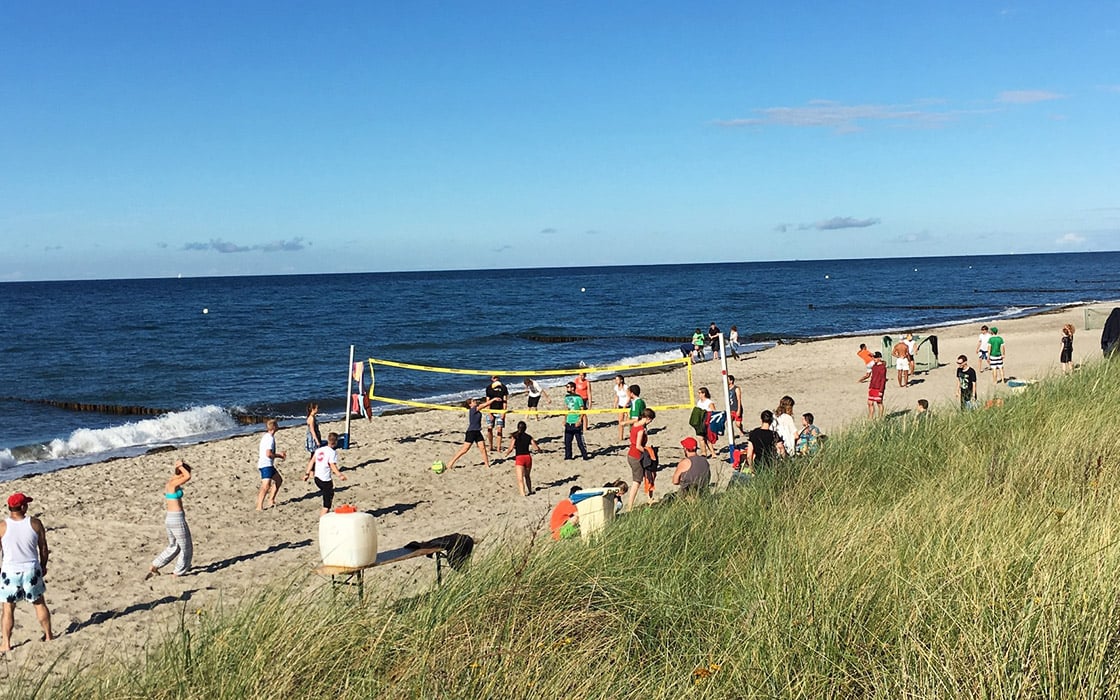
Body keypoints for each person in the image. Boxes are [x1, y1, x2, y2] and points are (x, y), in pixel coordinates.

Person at [0, 493, 53, 652]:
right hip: (31, 569)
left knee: (8, 608)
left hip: (10, 571)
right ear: (22, 507)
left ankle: (6, 643)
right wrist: (43, 566)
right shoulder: (35, 523)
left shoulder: (2, 526)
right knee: (39, 603)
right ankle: (49, 635)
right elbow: (43, 548)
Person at [146, 460, 194, 578]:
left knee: (174, 546)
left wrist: (179, 468)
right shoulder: (172, 485)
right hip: (176, 519)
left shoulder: (172, 481)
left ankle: (155, 565)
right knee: (186, 547)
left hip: (171, 518)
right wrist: (180, 466)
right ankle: (178, 572)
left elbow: (181, 475)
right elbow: (188, 476)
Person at [446, 396, 497, 469]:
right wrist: (494, 399)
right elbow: (484, 405)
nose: (475, 401)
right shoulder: (473, 409)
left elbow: (484, 406)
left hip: (477, 432)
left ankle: (487, 465)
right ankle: (451, 463)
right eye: (473, 401)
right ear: (470, 405)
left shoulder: (476, 409)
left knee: (483, 448)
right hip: (471, 432)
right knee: (464, 450)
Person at [304, 432, 347, 516]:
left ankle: (326, 513)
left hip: (317, 478)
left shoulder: (319, 450)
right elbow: (332, 465)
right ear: (336, 442)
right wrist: (340, 475)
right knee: (327, 503)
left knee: (330, 494)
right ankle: (323, 518)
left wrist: (307, 473)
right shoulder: (332, 452)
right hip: (325, 480)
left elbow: (312, 461)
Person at [625, 407, 657, 511]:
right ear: (647, 418)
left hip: (633, 455)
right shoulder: (641, 430)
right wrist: (648, 452)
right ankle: (630, 506)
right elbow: (638, 446)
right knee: (637, 481)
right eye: (651, 420)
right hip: (636, 456)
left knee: (648, 476)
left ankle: (650, 498)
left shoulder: (636, 424)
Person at [256, 419, 287, 511]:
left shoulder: (266, 436)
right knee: (266, 485)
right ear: (274, 427)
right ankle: (259, 506)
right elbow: (268, 454)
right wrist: (279, 455)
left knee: (278, 480)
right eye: (276, 425)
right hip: (266, 464)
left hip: (267, 464)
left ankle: (271, 500)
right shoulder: (269, 438)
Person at [503, 421, 540, 497]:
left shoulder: (515, 437)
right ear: (525, 428)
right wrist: (540, 450)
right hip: (528, 457)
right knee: (527, 476)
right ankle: (530, 490)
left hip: (520, 458)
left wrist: (506, 454)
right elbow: (536, 447)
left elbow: (510, 448)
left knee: (520, 479)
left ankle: (523, 494)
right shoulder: (529, 437)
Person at [563, 382, 589, 460]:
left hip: (576, 422)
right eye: (567, 387)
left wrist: (580, 420)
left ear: (573, 388)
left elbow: (582, 410)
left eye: (568, 387)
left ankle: (585, 456)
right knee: (567, 442)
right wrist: (564, 419)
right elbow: (566, 409)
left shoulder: (578, 398)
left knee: (580, 442)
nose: (567, 389)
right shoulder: (566, 397)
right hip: (569, 422)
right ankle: (568, 457)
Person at [484, 376, 510, 451]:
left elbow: (505, 401)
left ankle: (498, 447)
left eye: (497, 377)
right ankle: (491, 446)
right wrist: (489, 413)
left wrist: (503, 412)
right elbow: (487, 402)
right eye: (494, 378)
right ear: (492, 379)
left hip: (500, 410)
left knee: (499, 429)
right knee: (489, 429)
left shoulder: (503, 387)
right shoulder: (489, 388)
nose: (496, 379)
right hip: (491, 410)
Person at [859, 352, 887, 418]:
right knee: (870, 403)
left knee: (879, 403)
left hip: (878, 388)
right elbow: (872, 377)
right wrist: (870, 387)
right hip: (872, 387)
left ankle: (880, 418)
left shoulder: (882, 367)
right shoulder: (874, 366)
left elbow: (883, 379)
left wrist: (881, 390)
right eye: (873, 357)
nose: (874, 359)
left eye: (875, 357)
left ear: (879, 358)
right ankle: (870, 417)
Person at [692, 387, 716, 458]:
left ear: (704, 393)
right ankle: (704, 453)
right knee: (700, 438)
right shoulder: (699, 402)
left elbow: (714, 412)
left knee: (708, 438)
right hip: (700, 422)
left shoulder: (709, 402)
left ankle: (713, 453)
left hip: (707, 421)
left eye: (700, 393)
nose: (699, 394)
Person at [613, 375, 631, 442]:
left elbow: (629, 397)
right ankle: (621, 437)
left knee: (629, 422)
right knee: (620, 421)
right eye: (616, 380)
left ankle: (631, 435)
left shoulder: (626, 387)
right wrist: (615, 404)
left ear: (621, 380)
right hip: (620, 406)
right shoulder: (616, 387)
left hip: (627, 406)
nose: (616, 381)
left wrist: (625, 406)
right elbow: (617, 396)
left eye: (617, 380)